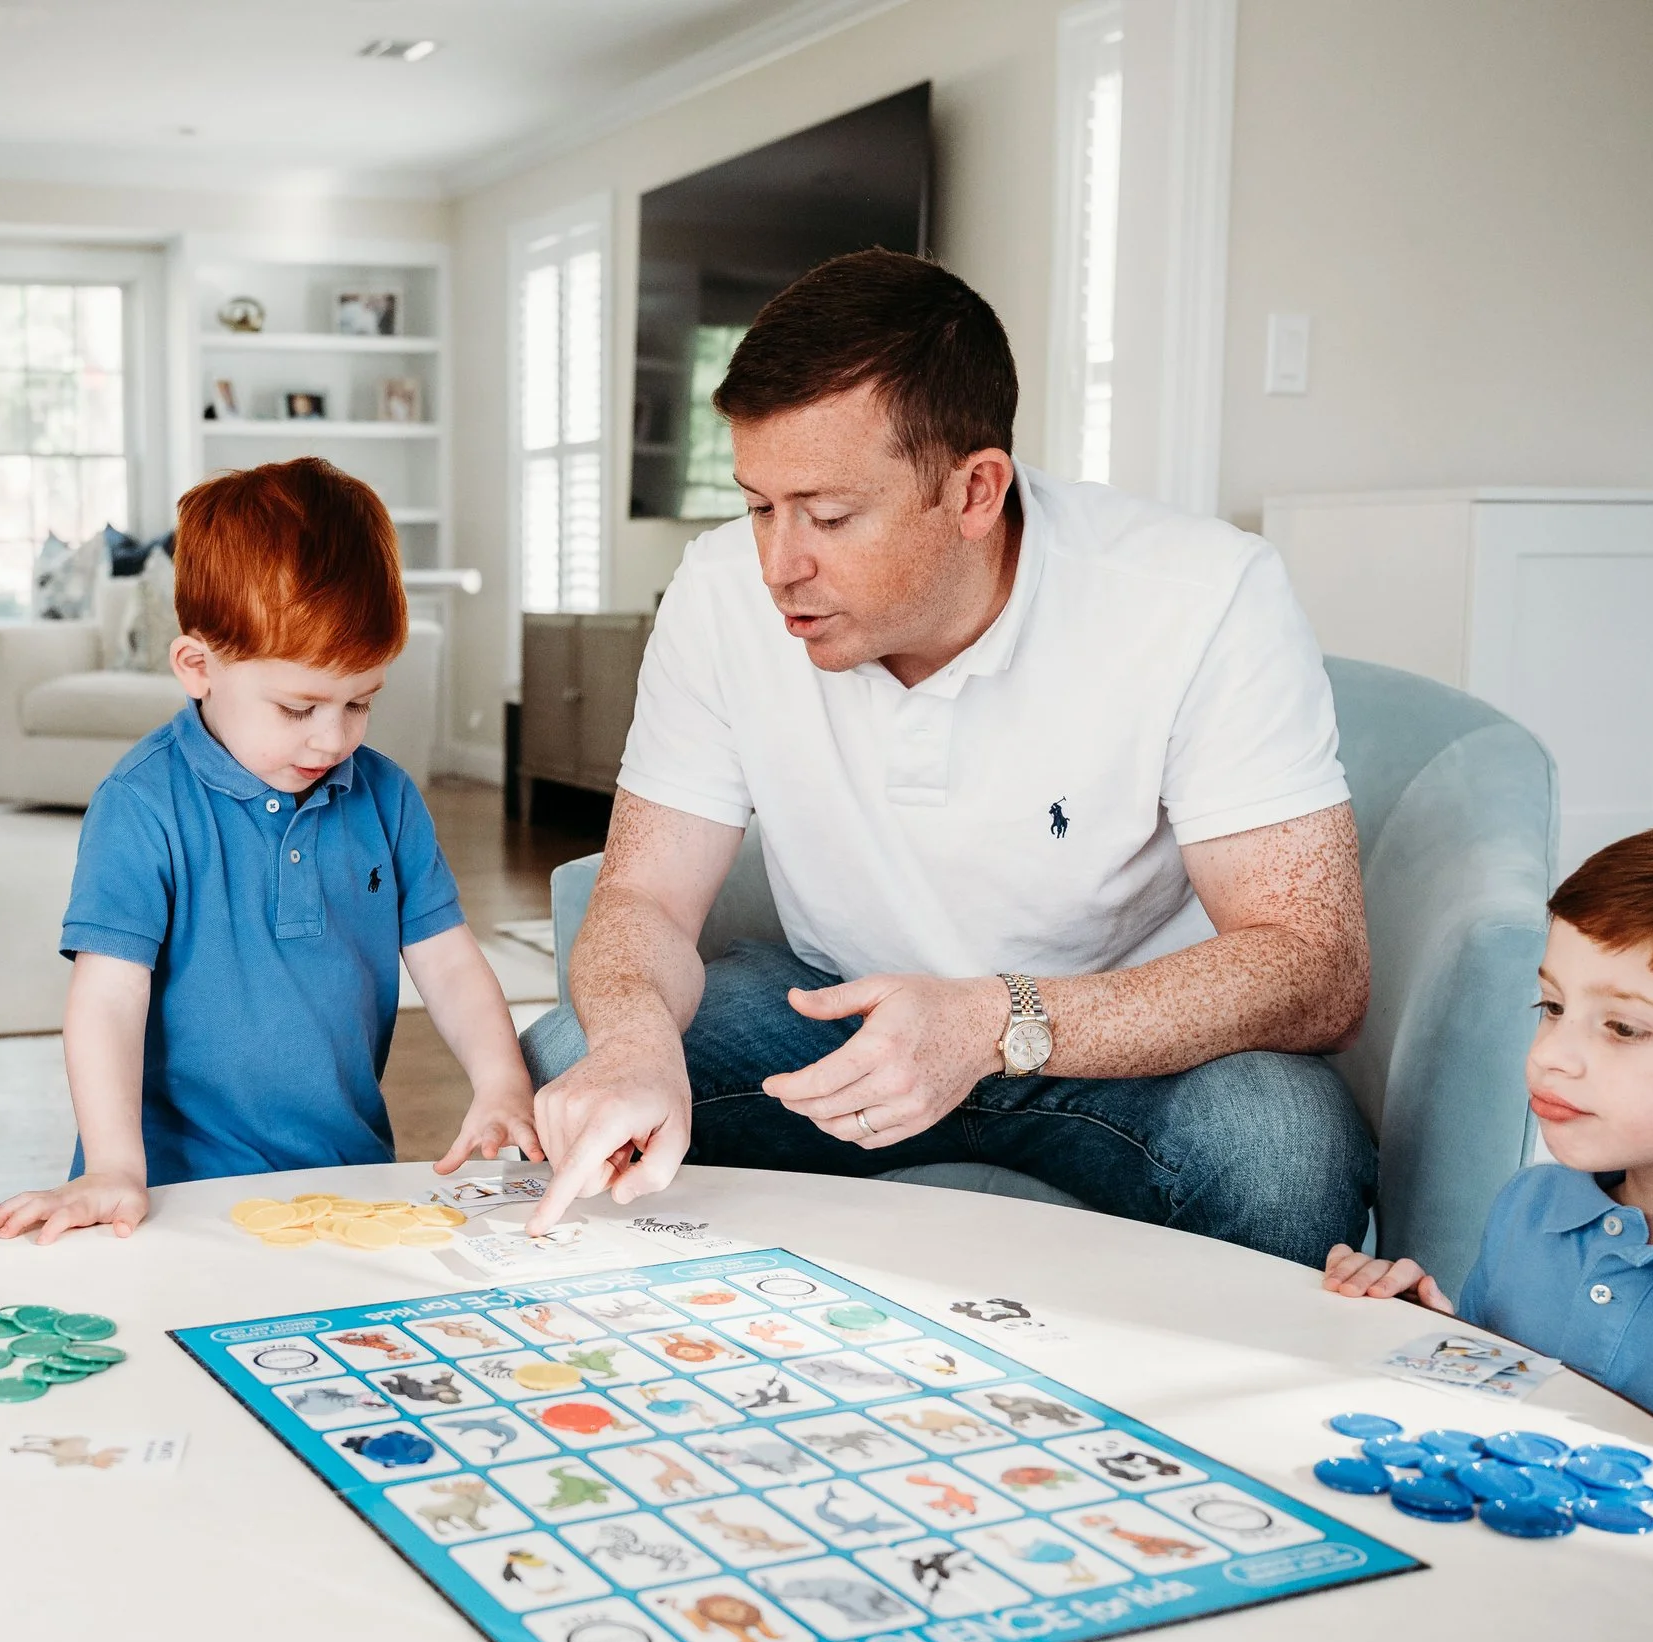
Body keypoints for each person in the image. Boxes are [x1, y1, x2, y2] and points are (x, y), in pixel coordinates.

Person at [525, 249, 1374, 1263]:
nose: (775, 563)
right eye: (757, 505)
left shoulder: (1200, 594)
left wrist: (990, 1022)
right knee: (577, 1062)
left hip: (1118, 1050)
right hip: (832, 1027)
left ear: (974, 492)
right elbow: (646, 900)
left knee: (1287, 1146)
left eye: (830, 516)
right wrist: (631, 1046)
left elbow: (1315, 964)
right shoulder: (718, 597)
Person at [0, 458, 536, 1243]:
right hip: (172, 1196)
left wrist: (501, 1082)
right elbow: (107, 999)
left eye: (359, 703)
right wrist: (112, 1165)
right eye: (298, 706)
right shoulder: (143, 804)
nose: (332, 737)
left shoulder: (385, 797)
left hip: (344, 1180)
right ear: (198, 668)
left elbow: (448, 962)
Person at [1324, 822, 1653, 1480]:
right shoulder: (1529, 1209)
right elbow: (1501, 1419)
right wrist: (1431, 1341)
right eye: (1551, 1005)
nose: (1549, 1055)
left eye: (1623, 1028)